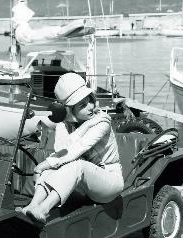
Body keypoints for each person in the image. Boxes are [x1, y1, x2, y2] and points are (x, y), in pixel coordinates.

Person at [19, 72, 124, 224]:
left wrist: (42, 165)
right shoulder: (65, 123)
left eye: (90, 100)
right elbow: (61, 149)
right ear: (70, 110)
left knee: (73, 163)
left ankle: (44, 209)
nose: (90, 107)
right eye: (82, 105)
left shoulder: (102, 121)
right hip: (83, 185)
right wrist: (83, 126)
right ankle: (33, 206)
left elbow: (77, 150)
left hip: (109, 182)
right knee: (54, 166)